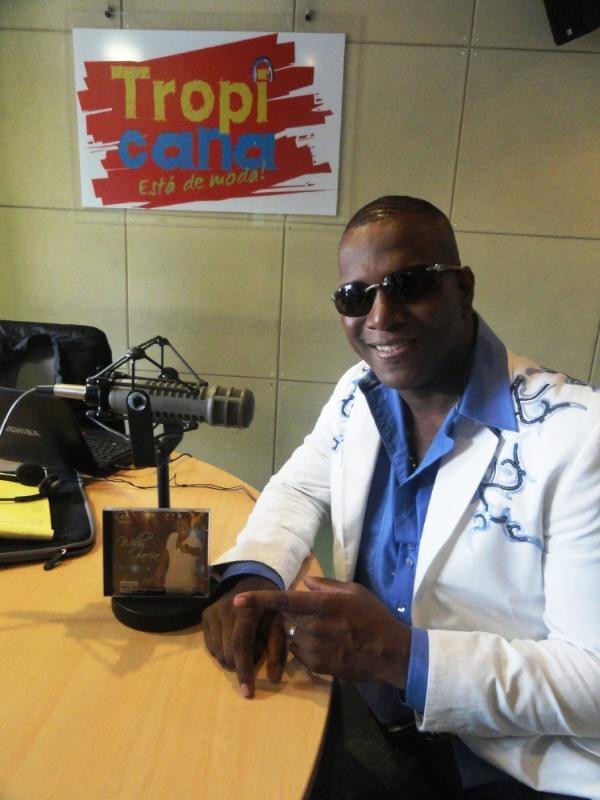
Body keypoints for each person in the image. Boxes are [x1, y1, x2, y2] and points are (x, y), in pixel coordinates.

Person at [203, 196, 600, 799]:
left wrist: (402, 657)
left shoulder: (580, 437)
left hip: (512, 766)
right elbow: (299, 486)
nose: (380, 316)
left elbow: (592, 678)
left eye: (408, 284)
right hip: (379, 720)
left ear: (463, 288)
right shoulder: (359, 392)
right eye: (354, 297)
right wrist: (252, 578)